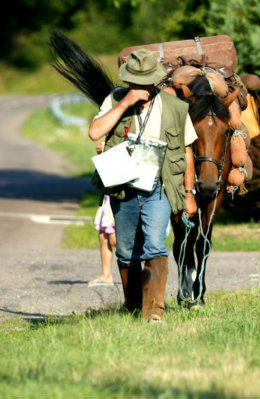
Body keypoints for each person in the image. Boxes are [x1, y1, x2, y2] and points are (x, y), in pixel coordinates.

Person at [88, 49, 197, 322]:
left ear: (155, 81)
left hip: (159, 187)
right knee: (126, 252)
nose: (140, 87)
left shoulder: (175, 107)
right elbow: (95, 132)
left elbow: (187, 152)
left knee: (154, 245)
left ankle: (154, 312)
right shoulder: (114, 99)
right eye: (134, 82)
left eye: (145, 82)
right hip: (123, 187)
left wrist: (190, 193)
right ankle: (134, 308)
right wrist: (125, 103)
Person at [87, 140, 117, 287]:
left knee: (114, 239)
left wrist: (106, 148)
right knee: (103, 234)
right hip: (108, 189)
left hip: (119, 187)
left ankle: (143, 276)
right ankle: (106, 274)